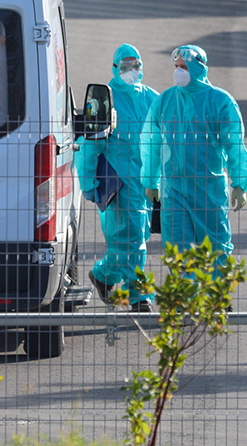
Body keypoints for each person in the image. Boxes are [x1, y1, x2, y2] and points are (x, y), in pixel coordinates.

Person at [142, 45, 247, 274]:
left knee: (216, 246)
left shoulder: (220, 101)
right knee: (176, 248)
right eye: (177, 67)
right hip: (174, 188)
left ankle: (216, 295)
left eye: (184, 67)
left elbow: (234, 145)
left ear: (199, 68)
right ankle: (183, 299)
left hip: (208, 187)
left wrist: (240, 183)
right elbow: (151, 142)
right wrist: (151, 180)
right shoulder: (166, 100)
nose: (179, 72)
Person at [76, 44, 160, 314]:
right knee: (131, 238)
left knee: (137, 235)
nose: (130, 71)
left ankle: (103, 275)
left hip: (146, 182)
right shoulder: (104, 99)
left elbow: (164, 140)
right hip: (118, 183)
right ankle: (139, 297)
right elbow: (90, 143)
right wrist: (89, 181)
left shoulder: (152, 99)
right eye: (124, 66)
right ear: (114, 68)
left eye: (134, 65)